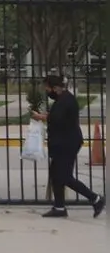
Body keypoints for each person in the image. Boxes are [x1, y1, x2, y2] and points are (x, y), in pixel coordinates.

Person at [31, 74, 105, 218]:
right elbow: (59, 116)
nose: (46, 91)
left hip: (67, 144)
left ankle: (96, 199)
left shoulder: (65, 100)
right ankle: (59, 208)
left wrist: (42, 117)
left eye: (47, 88)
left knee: (64, 176)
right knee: (56, 175)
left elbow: (57, 119)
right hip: (63, 143)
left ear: (55, 88)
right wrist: (46, 116)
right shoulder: (63, 99)